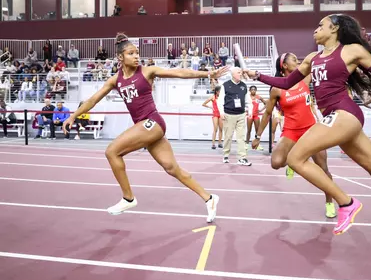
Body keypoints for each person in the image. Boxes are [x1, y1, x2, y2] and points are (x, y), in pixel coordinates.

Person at [244, 14, 371, 251]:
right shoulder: (312, 58)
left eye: (321, 25)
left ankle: (346, 203)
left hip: (344, 113)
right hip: (339, 119)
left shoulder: (351, 51)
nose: (315, 29)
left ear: (335, 28)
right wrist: (258, 76)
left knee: (295, 158)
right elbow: (287, 83)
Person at [63, 33, 230, 222]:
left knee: (112, 152)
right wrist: (73, 115)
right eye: (131, 53)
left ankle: (128, 198)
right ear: (120, 57)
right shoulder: (115, 80)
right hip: (146, 128)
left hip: (153, 122)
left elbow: (179, 73)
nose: (136, 56)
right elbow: (93, 100)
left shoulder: (147, 71)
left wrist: (208, 73)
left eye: (137, 53)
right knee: (172, 168)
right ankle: (209, 199)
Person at [251, 52, 336, 218]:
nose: (299, 62)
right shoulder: (276, 89)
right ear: (284, 66)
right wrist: (258, 136)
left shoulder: (305, 78)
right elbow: (267, 113)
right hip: (291, 130)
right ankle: (293, 161)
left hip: (311, 129)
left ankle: (329, 202)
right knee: (276, 163)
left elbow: (322, 67)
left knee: (324, 169)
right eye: (295, 60)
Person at [216, 67, 253, 166]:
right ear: (233, 74)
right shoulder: (225, 85)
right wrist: (221, 112)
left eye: (241, 72)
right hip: (229, 114)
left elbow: (248, 100)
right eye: (238, 72)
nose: (240, 74)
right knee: (228, 136)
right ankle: (225, 154)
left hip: (241, 114)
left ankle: (242, 157)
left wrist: (250, 111)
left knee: (241, 137)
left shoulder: (244, 86)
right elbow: (220, 100)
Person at [245, 85, 266, 150]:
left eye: (254, 89)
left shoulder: (258, 97)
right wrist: (246, 109)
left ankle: (258, 145)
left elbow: (266, 103)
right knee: (249, 130)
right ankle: (247, 144)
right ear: (250, 90)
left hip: (256, 115)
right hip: (250, 115)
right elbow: (243, 104)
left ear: (256, 90)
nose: (253, 91)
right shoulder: (247, 97)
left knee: (257, 131)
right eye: (252, 90)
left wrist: (261, 110)